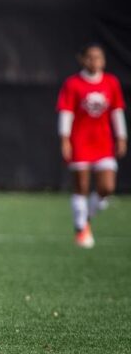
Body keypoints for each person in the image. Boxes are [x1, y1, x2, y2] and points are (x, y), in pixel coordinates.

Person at [56, 42, 126, 249]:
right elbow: (66, 113)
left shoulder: (111, 82)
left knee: (106, 187)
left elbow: (116, 111)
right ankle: (81, 229)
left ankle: (85, 216)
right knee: (82, 186)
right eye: (91, 57)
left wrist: (121, 137)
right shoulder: (73, 83)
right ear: (83, 59)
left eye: (99, 58)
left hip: (103, 142)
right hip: (80, 141)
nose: (95, 61)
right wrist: (65, 139)